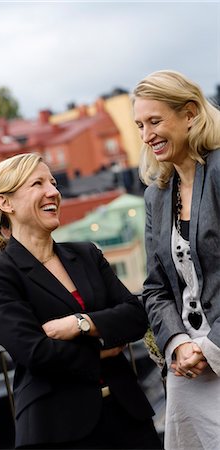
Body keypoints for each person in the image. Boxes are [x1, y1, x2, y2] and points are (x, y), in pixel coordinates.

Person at [0, 153, 161, 449]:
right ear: (5, 203)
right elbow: (35, 352)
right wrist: (103, 347)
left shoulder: (86, 254)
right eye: (37, 183)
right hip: (58, 429)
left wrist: (81, 325)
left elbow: (136, 316)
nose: (53, 192)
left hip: (128, 416)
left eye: (54, 182)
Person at [132, 70, 220, 450]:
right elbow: (155, 287)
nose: (146, 134)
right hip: (189, 365)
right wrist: (178, 343)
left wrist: (211, 346)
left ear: (189, 114)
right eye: (139, 125)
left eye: (155, 121)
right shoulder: (156, 194)